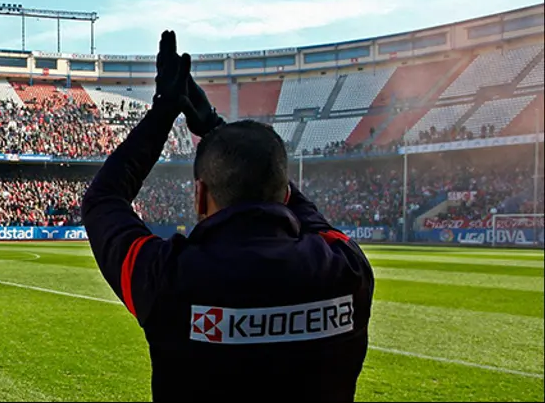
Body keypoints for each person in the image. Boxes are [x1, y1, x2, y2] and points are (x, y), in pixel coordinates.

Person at [82, 31, 374, 402]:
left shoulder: (168, 277)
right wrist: (216, 129)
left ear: (200, 196)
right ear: (285, 193)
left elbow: (103, 198)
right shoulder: (347, 269)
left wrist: (164, 110)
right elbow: (308, 216)